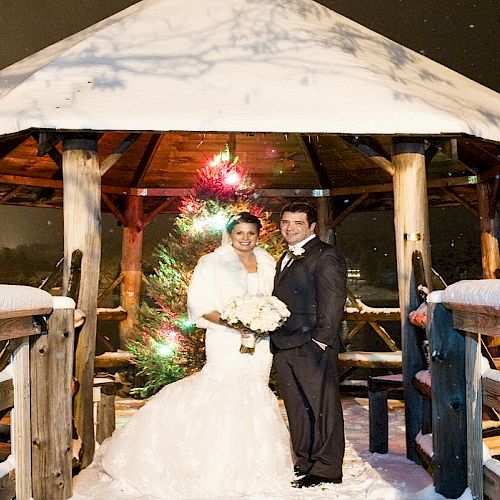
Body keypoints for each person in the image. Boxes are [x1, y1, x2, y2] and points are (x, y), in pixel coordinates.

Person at [72, 212, 294, 499]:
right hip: (225, 337)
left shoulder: (267, 261)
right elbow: (200, 304)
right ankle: (212, 461)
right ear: (230, 234)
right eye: (239, 233)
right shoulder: (212, 262)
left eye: (251, 233)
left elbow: (273, 299)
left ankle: (257, 463)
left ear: (258, 234)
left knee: (254, 390)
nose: (245, 238)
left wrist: (264, 320)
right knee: (224, 390)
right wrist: (236, 322)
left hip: (260, 342)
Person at [271, 202, 347, 488]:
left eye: (297, 223)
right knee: (297, 407)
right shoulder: (284, 257)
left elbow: (333, 301)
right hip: (285, 342)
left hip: (312, 344)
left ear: (312, 227)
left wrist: (321, 340)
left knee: (321, 406)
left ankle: (327, 467)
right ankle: (305, 461)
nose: (290, 228)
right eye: (285, 222)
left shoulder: (326, 255)